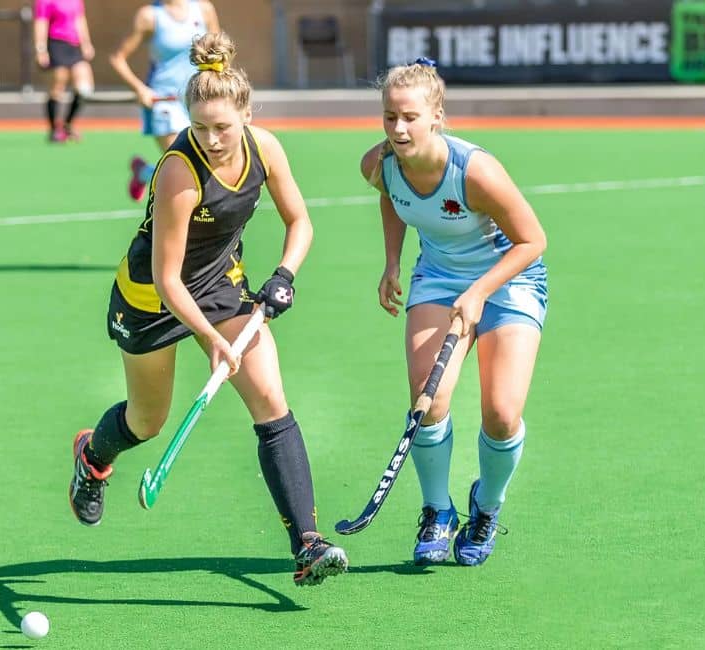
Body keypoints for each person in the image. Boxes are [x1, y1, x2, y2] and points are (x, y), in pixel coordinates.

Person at [68, 32, 348, 587]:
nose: (213, 139)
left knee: (270, 398)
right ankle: (92, 458)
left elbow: (301, 223)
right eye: (201, 127)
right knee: (147, 421)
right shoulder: (178, 170)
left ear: (245, 113)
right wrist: (215, 340)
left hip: (220, 283)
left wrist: (284, 275)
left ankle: (307, 545)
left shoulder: (264, 148)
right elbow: (169, 279)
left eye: (223, 126)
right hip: (152, 298)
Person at [358, 58, 548, 567]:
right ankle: (437, 511)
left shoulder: (475, 170)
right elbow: (390, 198)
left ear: (437, 115)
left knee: (502, 413)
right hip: (439, 278)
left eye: (410, 117)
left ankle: (485, 507)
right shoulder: (378, 164)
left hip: (509, 279)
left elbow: (533, 241)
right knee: (429, 400)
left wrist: (481, 290)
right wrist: (392, 262)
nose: (399, 128)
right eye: (389, 117)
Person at [107, 0, 220, 201]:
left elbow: (218, 53)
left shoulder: (204, 9)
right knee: (183, 167)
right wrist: (140, 89)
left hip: (198, 99)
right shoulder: (149, 16)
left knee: (203, 166)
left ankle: (144, 172)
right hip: (164, 101)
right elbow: (117, 58)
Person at [33, 0, 96, 143]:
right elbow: (41, 23)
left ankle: (67, 124)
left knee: (84, 86)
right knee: (58, 85)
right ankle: (54, 130)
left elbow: (80, 19)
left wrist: (86, 43)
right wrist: (41, 49)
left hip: (73, 45)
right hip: (56, 43)